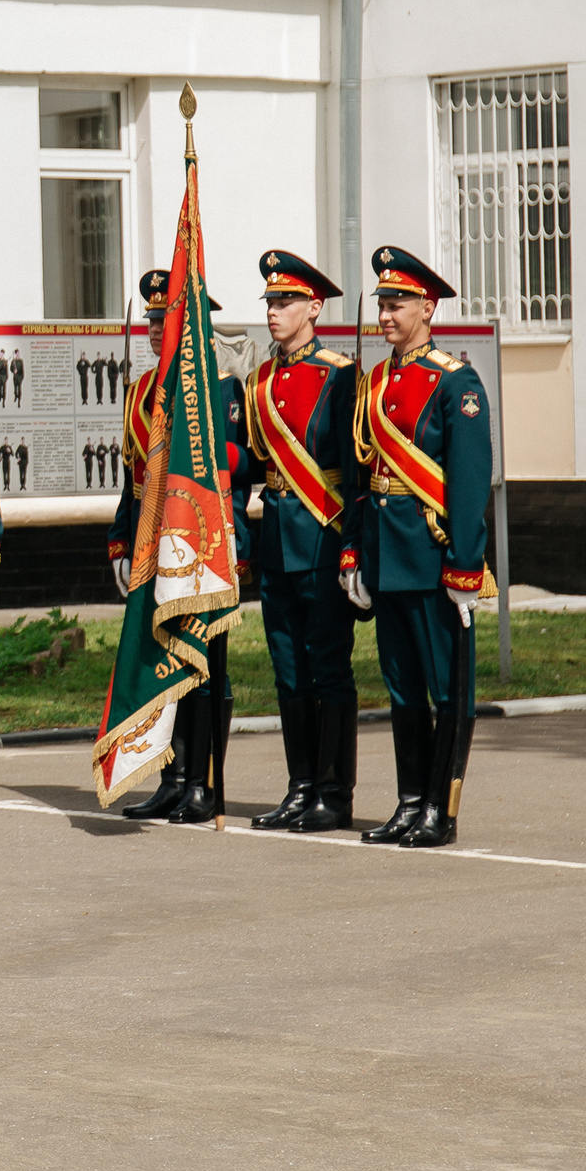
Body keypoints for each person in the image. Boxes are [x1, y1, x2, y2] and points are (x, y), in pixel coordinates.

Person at [346, 247, 492, 849]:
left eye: (397, 302)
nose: (385, 313)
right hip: (387, 556)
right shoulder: (376, 381)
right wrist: (355, 554)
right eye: (381, 302)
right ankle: (410, 802)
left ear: (427, 307)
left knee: (446, 690)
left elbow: (467, 482)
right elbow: (364, 479)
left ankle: (442, 809)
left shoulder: (455, 382)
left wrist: (464, 564)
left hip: (434, 562)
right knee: (402, 689)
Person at [106, 269, 250, 824]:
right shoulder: (141, 392)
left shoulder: (218, 387)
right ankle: (173, 777)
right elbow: (133, 477)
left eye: (164, 319)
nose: (152, 329)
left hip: (200, 547)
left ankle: (204, 783)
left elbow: (233, 470)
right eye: (150, 319)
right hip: (150, 546)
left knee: (204, 667)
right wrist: (120, 541)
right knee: (164, 664)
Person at [242, 251, 366, 834]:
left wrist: (353, 549)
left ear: (314, 307)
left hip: (323, 535)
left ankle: (334, 792)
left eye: (285, 301)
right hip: (277, 541)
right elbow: (252, 460)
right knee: (287, 669)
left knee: (327, 668)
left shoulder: (340, 376)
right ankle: (300, 787)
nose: (273, 312)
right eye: (269, 302)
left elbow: (357, 470)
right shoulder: (258, 381)